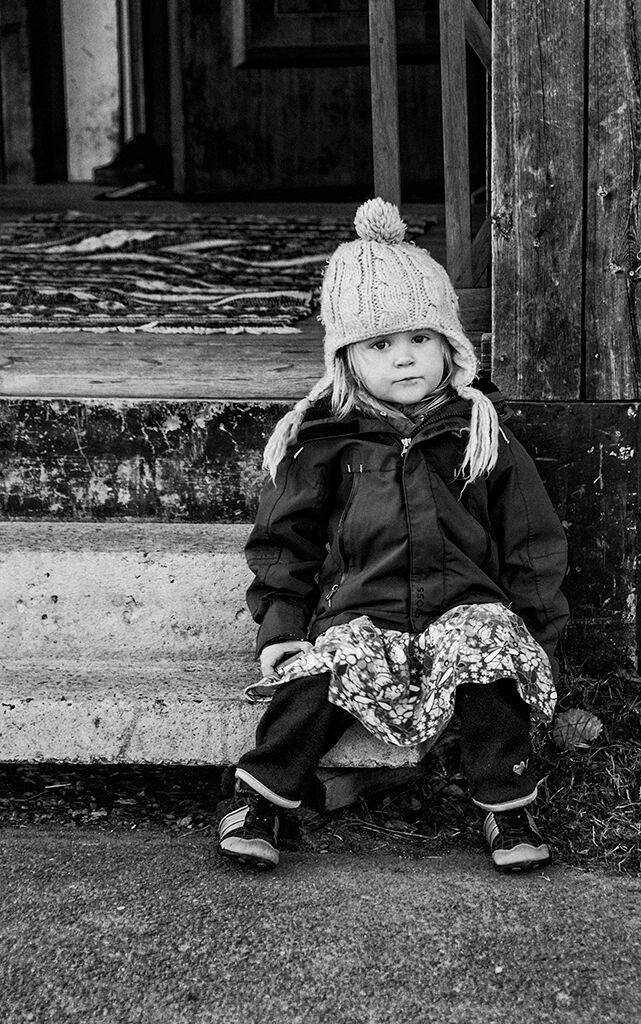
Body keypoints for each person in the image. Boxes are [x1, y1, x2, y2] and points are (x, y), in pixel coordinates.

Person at [219, 198, 569, 874]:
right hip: (363, 612)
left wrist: (537, 637)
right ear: (348, 360)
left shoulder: (480, 435)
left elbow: (533, 543)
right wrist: (283, 626)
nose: (404, 359)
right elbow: (284, 544)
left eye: (420, 340)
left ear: (450, 347)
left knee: (491, 654)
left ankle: (507, 807)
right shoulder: (324, 442)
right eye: (380, 345)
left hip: (463, 608)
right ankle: (260, 798)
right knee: (319, 673)